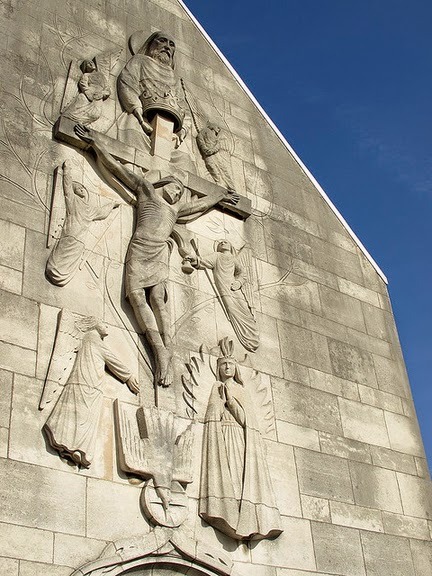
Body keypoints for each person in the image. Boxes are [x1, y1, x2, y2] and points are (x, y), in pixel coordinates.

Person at [74, 124, 239, 387]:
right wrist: (96, 144)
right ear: (162, 185)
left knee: (158, 300)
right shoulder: (146, 191)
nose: (175, 193)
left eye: (178, 191)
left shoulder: (175, 211)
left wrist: (219, 194)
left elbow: (200, 204)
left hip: (159, 252)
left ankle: (167, 349)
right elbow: (117, 169)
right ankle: (158, 348)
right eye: (173, 188)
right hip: (140, 249)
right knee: (137, 297)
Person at [199, 338, 282, 541]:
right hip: (223, 437)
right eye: (223, 364)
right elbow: (213, 416)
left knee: (240, 473)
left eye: (230, 364)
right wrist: (219, 401)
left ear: (235, 368)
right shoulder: (216, 388)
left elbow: (247, 421)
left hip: (239, 438)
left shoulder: (241, 390)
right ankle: (228, 508)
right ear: (218, 368)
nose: (227, 367)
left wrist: (231, 400)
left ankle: (244, 513)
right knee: (226, 472)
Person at [44, 317, 139, 468]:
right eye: (103, 322)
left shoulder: (90, 339)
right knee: (82, 416)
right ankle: (73, 447)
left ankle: (74, 449)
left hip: (90, 385)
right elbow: (111, 359)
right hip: (87, 384)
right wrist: (128, 376)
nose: (106, 325)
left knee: (82, 417)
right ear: (94, 325)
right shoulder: (92, 338)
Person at [46, 160, 119, 286]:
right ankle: (54, 269)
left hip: (80, 240)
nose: (81, 189)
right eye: (78, 188)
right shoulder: (73, 201)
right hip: (70, 233)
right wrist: (67, 170)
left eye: (81, 188)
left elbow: (102, 212)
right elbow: (67, 187)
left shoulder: (90, 209)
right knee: (60, 255)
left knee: (71, 259)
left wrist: (112, 205)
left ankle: (63, 275)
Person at [187, 240, 259, 352]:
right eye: (220, 242)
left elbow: (242, 274)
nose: (223, 243)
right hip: (224, 288)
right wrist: (193, 259)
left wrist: (238, 283)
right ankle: (245, 336)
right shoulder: (216, 256)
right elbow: (203, 261)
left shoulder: (234, 259)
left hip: (234, 287)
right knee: (232, 310)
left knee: (243, 309)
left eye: (225, 242)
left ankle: (252, 333)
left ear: (231, 247)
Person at [117, 31, 186, 138]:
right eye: (162, 41)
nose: (167, 47)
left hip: (168, 130)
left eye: (171, 45)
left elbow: (182, 105)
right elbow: (127, 84)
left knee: (183, 155)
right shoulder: (139, 61)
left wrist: (183, 131)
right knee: (133, 134)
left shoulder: (175, 78)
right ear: (151, 44)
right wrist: (139, 116)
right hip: (138, 116)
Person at [62, 59, 111, 126]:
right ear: (86, 68)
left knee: (96, 114)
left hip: (98, 97)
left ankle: (82, 123)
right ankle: (69, 121)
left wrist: (102, 94)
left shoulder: (102, 76)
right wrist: (88, 93)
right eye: (88, 64)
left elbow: (107, 89)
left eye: (92, 62)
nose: (91, 64)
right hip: (87, 95)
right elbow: (83, 83)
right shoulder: (86, 75)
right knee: (77, 109)